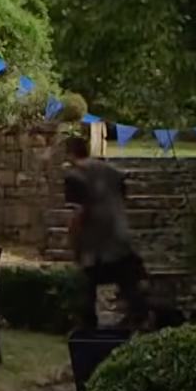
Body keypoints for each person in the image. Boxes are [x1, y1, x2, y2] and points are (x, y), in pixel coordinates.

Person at [61, 135, 150, 330]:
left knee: (86, 292)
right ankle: (141, 328)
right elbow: (122, 197)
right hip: (120, 239)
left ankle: (89, 338)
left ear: (70, 154)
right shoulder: (112, 171)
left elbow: (78, 214)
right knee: (132, 290)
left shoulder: (75, 176)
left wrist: (73, 243)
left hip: (96, 248)